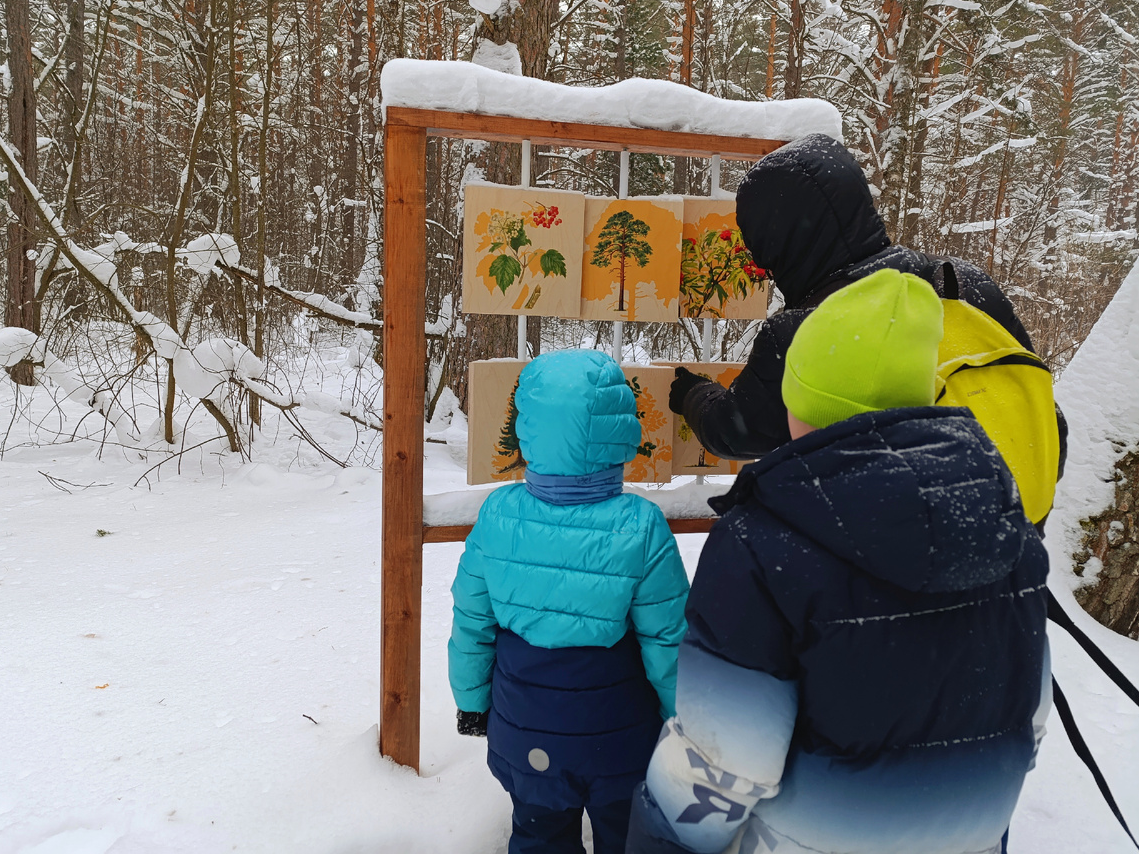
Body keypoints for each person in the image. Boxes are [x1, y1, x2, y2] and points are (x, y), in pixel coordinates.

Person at [627, 270, 1051, 854]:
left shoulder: (761, 544)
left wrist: (660, 835)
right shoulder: (1007, 525)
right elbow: (1028, 719)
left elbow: (723, 761)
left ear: (801, 402)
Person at [669, 132, 1065, 467]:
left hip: (888, 549)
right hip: (1007, 526)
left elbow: (736, 431)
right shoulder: (962, 281)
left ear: (774, 240)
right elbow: (1035, 399)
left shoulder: (802, 330)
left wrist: (692, 394)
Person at [449, 348, 690, 854]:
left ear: (528, 427)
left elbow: (472, 620)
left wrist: (473, 704)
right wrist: (681, 718)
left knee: (539, 834)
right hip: (618, 734)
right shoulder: (641, 526)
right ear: (619, 429)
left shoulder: (498, 515)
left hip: (526, 725)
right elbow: (668, 639)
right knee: (628, 837)